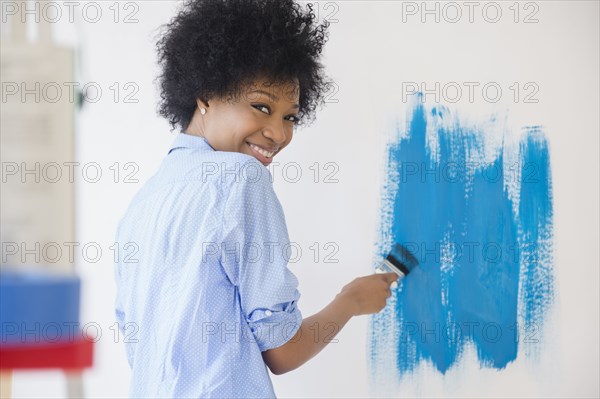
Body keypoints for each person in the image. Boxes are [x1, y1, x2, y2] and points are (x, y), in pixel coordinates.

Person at [113, 0, 399, 397]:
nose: (278, 134)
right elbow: (282, 352)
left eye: (290, 117)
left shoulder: (145, 203)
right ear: (206, 94)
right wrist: (350, 300)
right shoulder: (240, 179)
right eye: (261, 107)